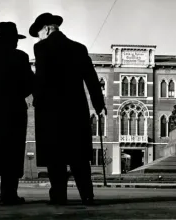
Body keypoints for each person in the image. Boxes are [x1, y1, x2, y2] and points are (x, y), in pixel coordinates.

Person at [29, 13, 106, 205]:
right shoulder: (78, 48)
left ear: (46, 29)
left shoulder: (41, 47)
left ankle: (59, 196)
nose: (38, 37)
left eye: (39, 33)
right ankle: (87, 195)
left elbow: (42, 76)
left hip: (52, 110)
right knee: (78, 155)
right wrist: (98, 104)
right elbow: (91, 78)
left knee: (56, 157)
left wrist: (37, 99)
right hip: (75, 109)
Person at [0, 22, 34, 205]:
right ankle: (9, 195)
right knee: (12, 152)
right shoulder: (20, 57)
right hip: (13, 111)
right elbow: (29, 85)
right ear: (11, 40)